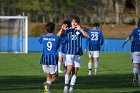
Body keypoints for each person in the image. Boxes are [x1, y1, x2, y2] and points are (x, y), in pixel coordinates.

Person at [58, 16, 90, 93]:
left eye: (75, 22)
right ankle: (66, 86)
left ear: (78, 23)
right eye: (73, 22)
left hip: (77, 54)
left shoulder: (79, 31)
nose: (74, 23)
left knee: (75, 72)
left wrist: (81, 29)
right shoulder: (68, 30)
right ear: (71, 23)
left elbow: (88, 36)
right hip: (69, 53)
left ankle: (71, 88)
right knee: (68, 69)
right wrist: (61, 30)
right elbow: (58, 36)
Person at [39, 22, 61, 93]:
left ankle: (47, 90)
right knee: (54, 78)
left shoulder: (43, 37)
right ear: (54, 29)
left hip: (44, 59)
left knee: (48, 77)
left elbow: (41, 41)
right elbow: (61, 41)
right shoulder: (57, 38)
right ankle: (46, 86)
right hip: (52, 59)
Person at [129, 20, 140, 86]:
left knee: (136, 64)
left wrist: (133, 41)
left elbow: (132, 39)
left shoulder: (135, 30)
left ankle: (135, 77)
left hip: (136, 49)